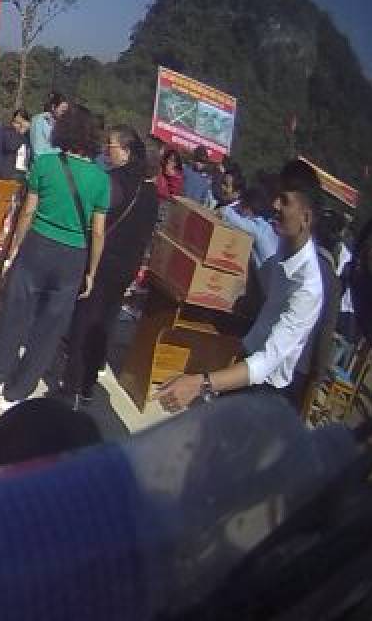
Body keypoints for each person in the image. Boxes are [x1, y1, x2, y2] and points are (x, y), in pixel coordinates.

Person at [157, 160, 325, 411]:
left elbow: (265, 363)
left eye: (285, 201)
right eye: (277, 197)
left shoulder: (308, 288)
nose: (275, 205)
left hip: (263, 391)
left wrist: (200, 383)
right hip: (243, 359)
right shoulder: (282, 248)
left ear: (306, 218)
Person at [0, 104, 109, 411]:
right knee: (50, 329)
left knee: (15, 313)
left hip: (37, 245)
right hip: (73, 255)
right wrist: (91, 271)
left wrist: (15, 248)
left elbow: (27, 211)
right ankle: (16, 392)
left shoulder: (46, 164)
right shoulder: (101, 180)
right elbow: (98, 232)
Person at [60, 125, 158, 408]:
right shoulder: (150, 191)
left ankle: (72, 386)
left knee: (84, 321)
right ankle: (88, 386)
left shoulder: (113, 182)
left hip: (102, 263)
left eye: (111, 145)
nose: (106, 150)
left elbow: (97, 223)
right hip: (126, 268)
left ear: (126, 152)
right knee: (104, 324)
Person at [29, 91, 68, 157]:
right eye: (63, 111)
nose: (65, 114)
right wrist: (61, 151)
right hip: (42, 161)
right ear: (53, 107)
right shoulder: (39, 120)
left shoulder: (62, 124)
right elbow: (38, 150)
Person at [2, 109, 31, 180]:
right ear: (12, 122)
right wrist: (21, 133)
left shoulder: (28, 136)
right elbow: (11, 146)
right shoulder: (7, 132)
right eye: (17, 122)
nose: (19, 125)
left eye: (22, 122)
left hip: (23, 173)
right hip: (9, 173)